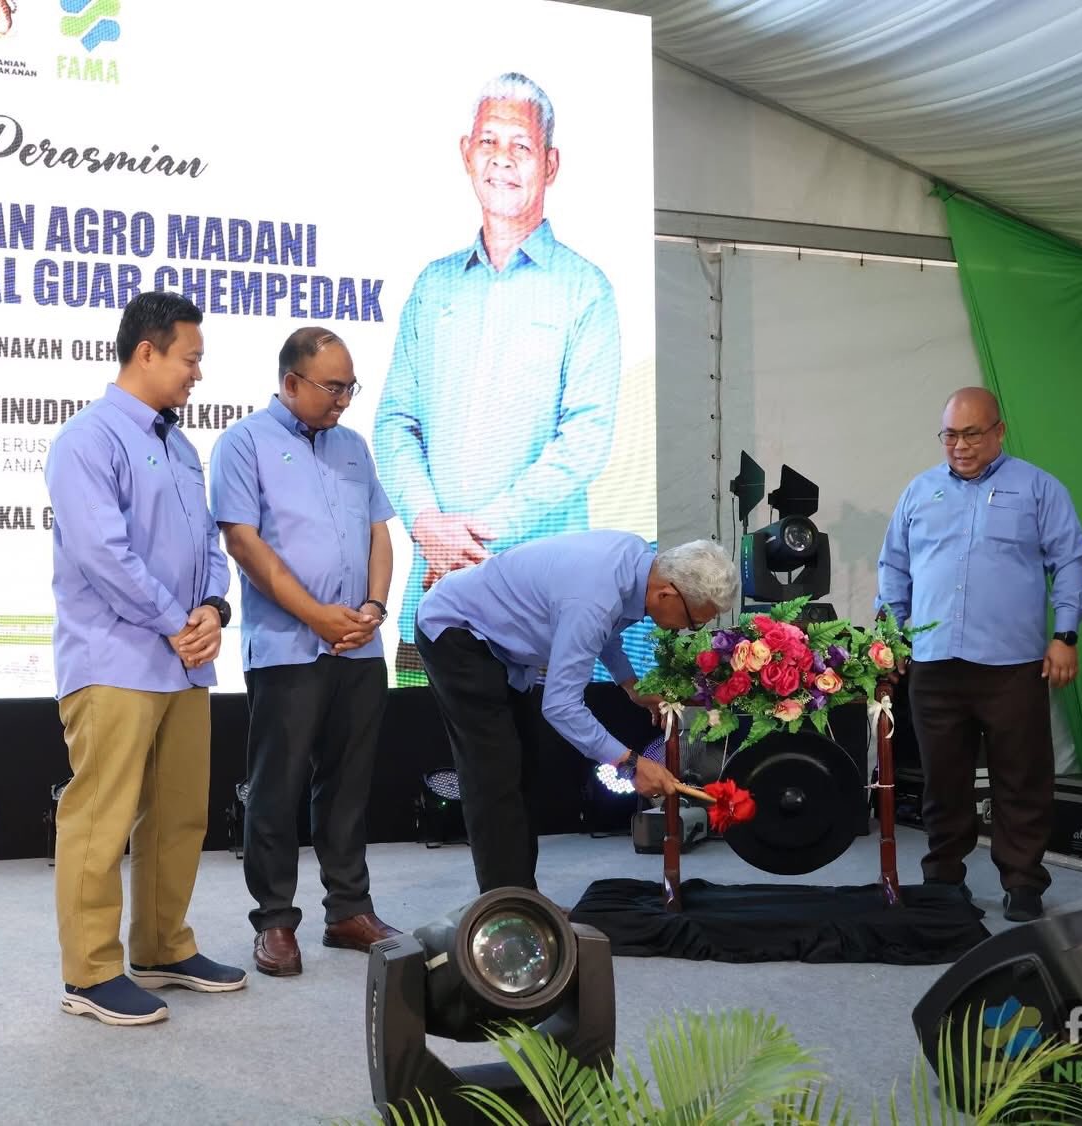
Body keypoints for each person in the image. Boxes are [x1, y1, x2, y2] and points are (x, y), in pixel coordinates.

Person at [374, 71, 622, 683]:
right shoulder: (434, 287)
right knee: (422, 768)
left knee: (537, 775)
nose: (502, 161)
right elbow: (394, 422)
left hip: (536, 615)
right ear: (466, 152)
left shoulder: (585, 290)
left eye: (521, 146)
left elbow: (585, 440)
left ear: (551, 162)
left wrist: (473, 543)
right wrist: (427, 524)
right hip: (432, 606)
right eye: (489, 142)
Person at [45, 291, 245, 1027]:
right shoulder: (87, 440)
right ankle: (90, 974)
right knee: (101, 819)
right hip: (115, 661)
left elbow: (209, 549)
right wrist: (173, 621)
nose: (198, 373)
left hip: (182, 663)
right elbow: (104, 554)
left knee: (180, 816)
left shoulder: (180, 446)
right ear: (147, 352)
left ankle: (163, 946)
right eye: (190, 359)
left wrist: (213, 611)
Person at [209, 327, 400, 977]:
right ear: (289, 382)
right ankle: (274, 921)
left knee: (348, 783)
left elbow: (379, 532)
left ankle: (348, 910)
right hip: (288, 645)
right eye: (332, 386)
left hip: (359, 647)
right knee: (277, 786)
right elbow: (244, 544)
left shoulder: (354, 447)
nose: (344, 399)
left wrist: (373, 609)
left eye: (350, 386)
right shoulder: (243, 444)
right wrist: (317, 616)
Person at [415, 533, 737, 893]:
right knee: (494, 776)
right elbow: (562, 706)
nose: (689, 630)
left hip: (502, 645)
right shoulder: (593, 600)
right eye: (694, 622)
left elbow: (607, 632)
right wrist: (630, 765)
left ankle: (524, 900)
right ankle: (510, 913)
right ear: (667, 594)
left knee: (522, 769)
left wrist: (631, 685)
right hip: (457, 631)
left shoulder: (637, 562)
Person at [878, 387, 1082, 922]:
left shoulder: (1039, 489)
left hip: (1012, 664)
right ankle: (944, 877)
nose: (961, 445)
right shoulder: (919, 492)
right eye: (951, 434)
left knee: (1021, 778)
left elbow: (1070, 562)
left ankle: (1023, 882)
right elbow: (894, 569)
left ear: (999, 431)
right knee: (941, 780)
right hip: (933, 661)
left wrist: (1065, 634)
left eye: (973, 433)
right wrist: (890, 637)